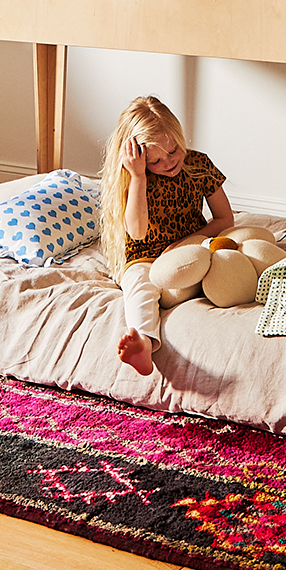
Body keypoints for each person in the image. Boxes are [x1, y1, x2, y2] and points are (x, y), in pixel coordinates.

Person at [100, 95, 233, 376]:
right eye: (155, 160)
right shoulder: (133, 178)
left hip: (192, 249)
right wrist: (138, 177)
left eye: (173, 150)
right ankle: (145, 343)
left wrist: (189, 241)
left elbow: (224, 219)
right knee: (139, 286)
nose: (169, 162)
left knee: (226, 262)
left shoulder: (199, 165)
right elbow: (137, 232)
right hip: (146, 258)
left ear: (179, 136)